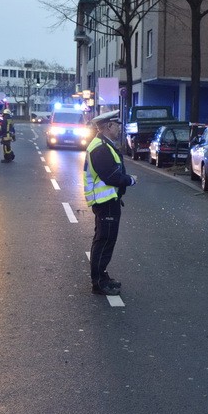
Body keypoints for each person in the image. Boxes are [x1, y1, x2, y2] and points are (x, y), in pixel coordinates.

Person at [83, 110, 137, 295]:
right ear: (109, 126)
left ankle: (102, 275)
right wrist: (130, 180)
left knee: (105, 241)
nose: (120, 128)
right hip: (105, 201)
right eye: (117, 124)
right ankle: (98, 283)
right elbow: (111, 176)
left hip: (108, 200)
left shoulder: (104, 144)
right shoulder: (100, 148)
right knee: (104, 241)